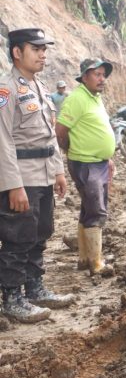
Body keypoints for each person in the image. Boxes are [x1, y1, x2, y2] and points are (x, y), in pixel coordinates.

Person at [0, 28, 74, 324]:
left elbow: (50, 136)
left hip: (43, 175)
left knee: (41, 233)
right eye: (36, 48)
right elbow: (2, 139)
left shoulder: (40, 87)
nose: (43, 54)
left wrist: (58, 171)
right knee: (18, 237)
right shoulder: (6, 89)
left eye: (45, 49)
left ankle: (34, 288)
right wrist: (13, 185)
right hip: (22, 177)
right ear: (17, 52)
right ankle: (12, 298)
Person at [55, 59, 116, 276]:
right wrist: (72, 151)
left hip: (97, 162)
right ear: (84, 77)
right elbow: (60, 130)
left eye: (103, 75)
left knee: (88, 208)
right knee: (96, 210)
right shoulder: (77, 99)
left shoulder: (95, 98)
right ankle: (96, 262)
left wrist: (107, 156)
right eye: (97, 74)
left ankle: (84, 258)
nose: (102, 79)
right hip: (85, 163)